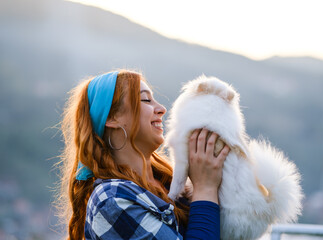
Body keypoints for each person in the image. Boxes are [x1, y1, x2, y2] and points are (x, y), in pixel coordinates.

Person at [56, 70, 230, 240]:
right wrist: (205, 188)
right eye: (146, 99)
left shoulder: (170, 182)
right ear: (112, 118)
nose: (161, 109)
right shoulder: (111, 200)